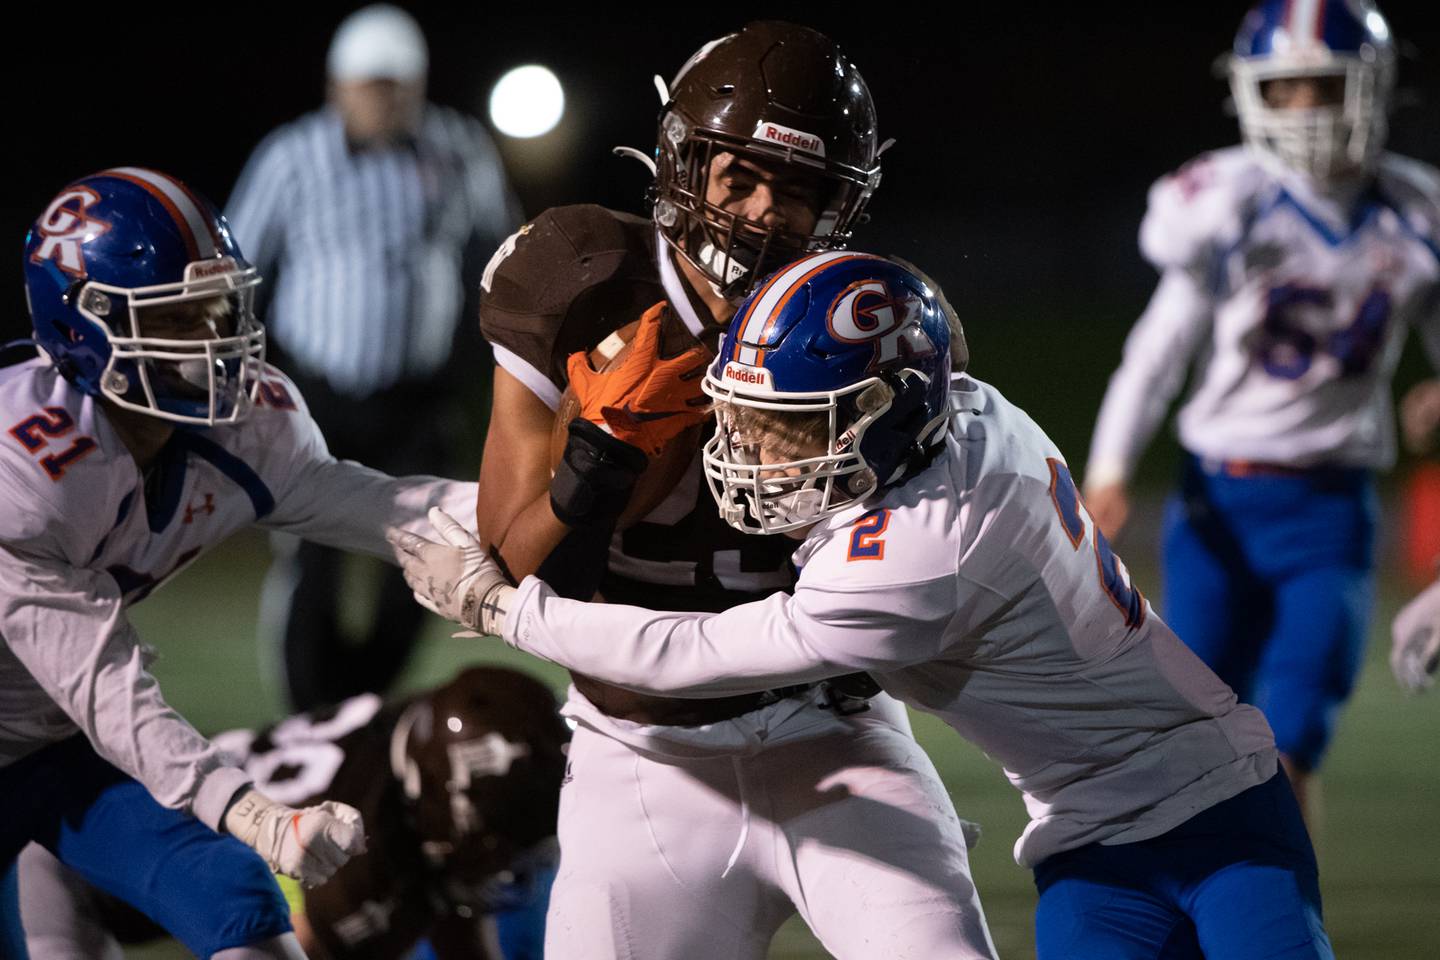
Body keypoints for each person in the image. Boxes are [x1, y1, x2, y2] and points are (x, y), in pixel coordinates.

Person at [393, 253, 1334, 960]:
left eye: (792, 425)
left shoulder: (919, 556)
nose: (757, 447)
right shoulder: (970, 419)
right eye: (752, 417)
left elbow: (690, 652)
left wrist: (505, 609)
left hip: (1211, 807)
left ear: (884, 409)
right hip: (1084, 836)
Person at [469, 21, 996, 960]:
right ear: (684, 164)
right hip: (640, 753)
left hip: (832, 732)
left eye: (799, 192)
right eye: (740, 178)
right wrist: (603, 453)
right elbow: (514, 569)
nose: (762, 214)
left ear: (841, 207)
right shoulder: (577, 283)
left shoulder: (875, 325)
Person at [1, 167, 478, 957]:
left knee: (233, 894)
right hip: (64, 717)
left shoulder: (238, 430)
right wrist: (253, 812)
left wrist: (545, 511)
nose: (216, 341)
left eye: (219, 306)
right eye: (180, 318)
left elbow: (379, 505)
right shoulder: (26, 471)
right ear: (84, 328)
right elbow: (104, 685)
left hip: (52, 743)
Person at [1080, 0, 1440, 826]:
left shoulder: (1417, 210)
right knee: (1198, 734)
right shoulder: (1226, 200)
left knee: (1292, 739)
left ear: (1373, 87)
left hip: (1334, 510)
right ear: (1252, 96)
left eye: (1327, 87)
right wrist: (1108, 469)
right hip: (1221, 503)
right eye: (1289, 90)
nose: (1309, 110)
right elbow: (1157, 352)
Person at [226, 3, 522, 710]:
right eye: (370, 86)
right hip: (317, 393)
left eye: (397, 87)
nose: (383, 103)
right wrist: (239, 378)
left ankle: (362, 705)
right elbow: (236, 266)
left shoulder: (456, 146)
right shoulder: (294, 155)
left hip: (419, 397)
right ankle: (310, 714)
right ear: (338, 87)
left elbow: (505, 252)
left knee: (426, 562)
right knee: (313, 561)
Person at [19, 665, 570, 960]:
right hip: (63, 863)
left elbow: (441, 899)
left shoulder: (413, 733)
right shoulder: (351, 857)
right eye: (501, 836)